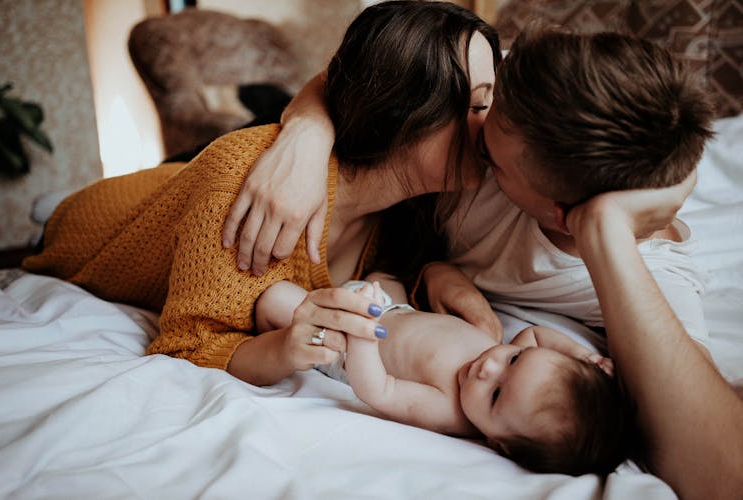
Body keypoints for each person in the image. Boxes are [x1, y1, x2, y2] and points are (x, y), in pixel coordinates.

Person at [222, 22, 743, 499]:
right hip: (341, 167)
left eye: (491, 157)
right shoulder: (532, 99)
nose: (477, 124)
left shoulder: (653, 279)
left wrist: (605, 233)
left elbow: (723, 476)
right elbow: (362, 68)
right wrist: (306, 131)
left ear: (564, 215)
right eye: (483, 102)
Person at [22, 1, 501, 386]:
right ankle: (52, 208)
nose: (494, 123)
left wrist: (437, 275)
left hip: (192, 185)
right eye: (478, 104)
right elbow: (185, 345)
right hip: (91, 226)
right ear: (401, 114)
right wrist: (281, 350)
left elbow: (398, 275)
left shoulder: (412, 205)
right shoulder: (244, 180)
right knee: (102, 202)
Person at [256, 275, 628, 476]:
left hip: (347, 344)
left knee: (275, 300)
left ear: (500, 444)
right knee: (385, 272)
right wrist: (584, 356)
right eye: (514, 359)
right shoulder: (502, 355)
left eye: (495, 395)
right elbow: (536, 338)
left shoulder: (449, 410)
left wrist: (364, 337)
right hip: (392, 305)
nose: (489, 367)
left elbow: (379, 390)